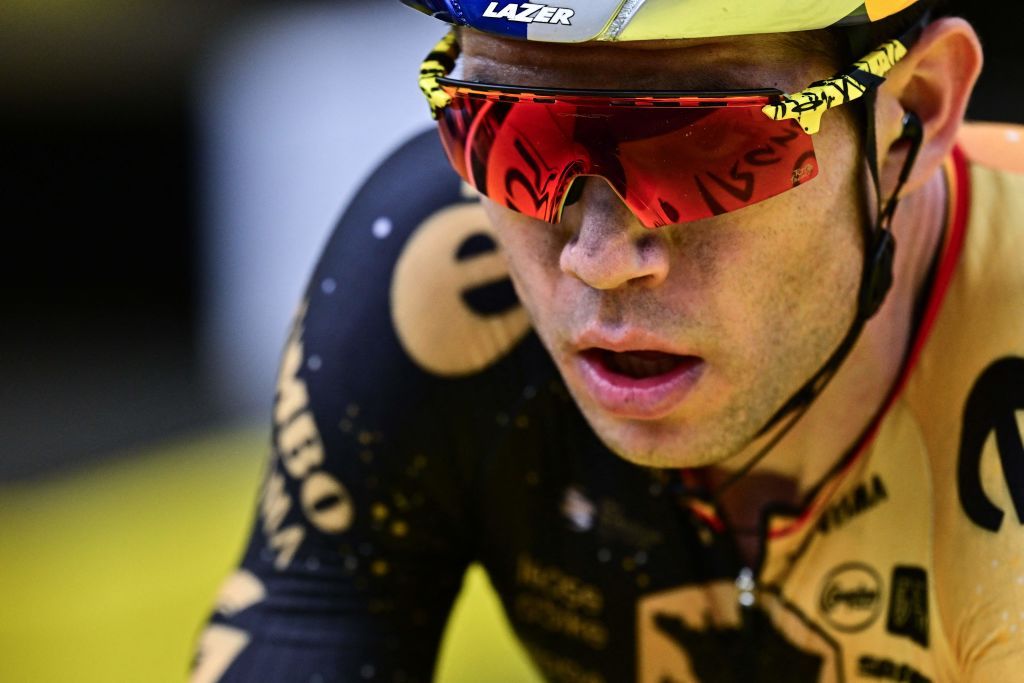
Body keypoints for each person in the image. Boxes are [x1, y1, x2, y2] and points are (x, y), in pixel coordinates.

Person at [191, 0, 1024, 680]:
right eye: (510, 135)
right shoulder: (437, 288)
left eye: (707, 146)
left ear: (911, 113)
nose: (600, 259)